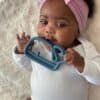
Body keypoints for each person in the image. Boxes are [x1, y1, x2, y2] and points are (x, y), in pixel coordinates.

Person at [12, 0, 100, 100]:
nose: (48, 29)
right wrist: (21, 51)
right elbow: (26, 64)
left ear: (78, 30)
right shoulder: (37, 46)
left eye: (61, 24)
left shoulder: (84, 48)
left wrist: (82, 64)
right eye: (44, 22)